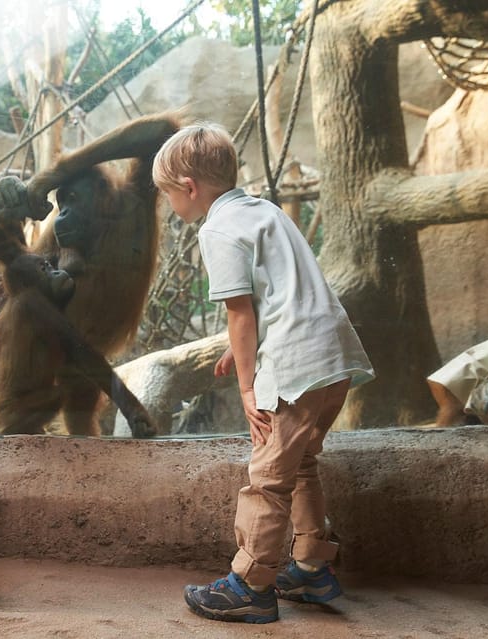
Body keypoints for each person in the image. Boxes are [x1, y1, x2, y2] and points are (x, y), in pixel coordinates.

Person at [152, 122, 375, 624]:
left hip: (295, 365)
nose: (169, 206)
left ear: (189, 188)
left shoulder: (216, 228)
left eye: (167, 194)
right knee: (300, 465)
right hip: (333, 354)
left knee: (268, 475)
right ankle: (311, 568)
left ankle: (250, 584)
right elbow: (278, 292)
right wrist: (243, 352)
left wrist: (248, 385)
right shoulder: (265, 211)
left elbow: (240, 313)